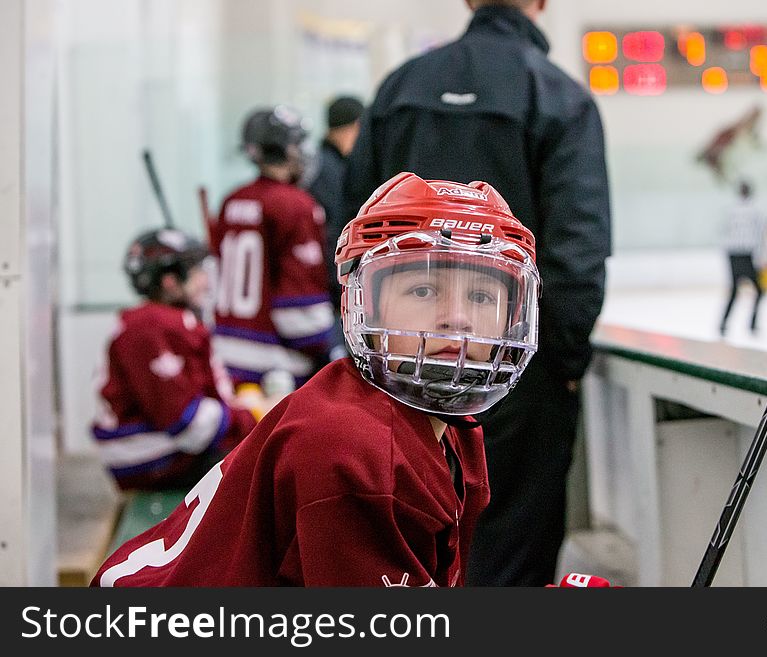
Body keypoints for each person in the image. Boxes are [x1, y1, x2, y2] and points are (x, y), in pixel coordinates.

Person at [91, 173, 542, 587]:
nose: (458, 319)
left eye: (482, 294)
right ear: (364, 303)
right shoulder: (354, 451)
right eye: (423, 289)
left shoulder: (456, 434)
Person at [343, 0, 612, 586]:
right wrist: (558, 363)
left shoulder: (398, 90)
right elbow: (578, 252)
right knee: (511, 554)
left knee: (403, 550)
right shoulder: (558, 96)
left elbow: (347, 232)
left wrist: (367, 349)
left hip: (398, 362)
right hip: (512, 367)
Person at [92, 228, 259, 491]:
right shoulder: (151, 326)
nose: (205, 280)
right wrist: (252, 417)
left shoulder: (166, 321)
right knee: (264, 465)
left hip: (155, 451)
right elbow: (184, 421)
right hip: (147, 457)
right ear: (170, 281)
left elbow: (202, 387)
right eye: (196, 272)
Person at [212, 105, 334, 390]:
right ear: (287, 150)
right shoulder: (296, 204)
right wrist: (333, 344)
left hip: (227, 357)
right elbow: (299, 316)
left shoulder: (232, 199)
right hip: (275, 368)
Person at [306, 95, 365, 360]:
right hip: (323, 288)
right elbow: (333, 234)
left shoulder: (320, 164)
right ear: (354, 127)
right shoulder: (331, 172)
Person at [719, 180, 767, 336]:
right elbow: (762, 235)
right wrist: (761, 258)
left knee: (734, 290)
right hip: (747, 254)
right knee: (760, 291)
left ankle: (723, 323)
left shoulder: (730, 209)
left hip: (733, 254)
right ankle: (752, 324)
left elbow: (723, 232)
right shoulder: (756, 210)